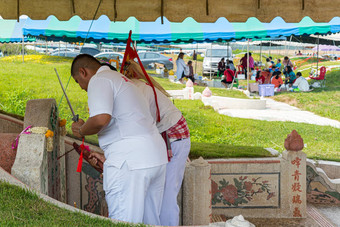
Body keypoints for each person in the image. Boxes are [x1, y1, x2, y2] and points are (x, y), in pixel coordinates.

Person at [70, 54, 168, 225]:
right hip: (154, 157)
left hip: (131, 163)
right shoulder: (121, 80)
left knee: (123, 221)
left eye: (78, 82)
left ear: (83, 72)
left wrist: (82, 130)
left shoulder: (99, 79)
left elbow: (101, 119)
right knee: (149, 221)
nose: (81, 88)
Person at [123, 60, 191, 226]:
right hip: (170, 138)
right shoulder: (135, 87)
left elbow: (140, 124)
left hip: (173, 137)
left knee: (167, 193)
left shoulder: (135, 89)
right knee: (157, 191)